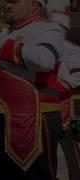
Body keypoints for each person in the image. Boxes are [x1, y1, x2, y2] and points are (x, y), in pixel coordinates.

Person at [0, 0, 64, 179]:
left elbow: (45, 60)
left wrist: (5, 44)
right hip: (2, 113)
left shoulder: (49, 28)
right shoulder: (9, 31)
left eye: (14, 1)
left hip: (34, 115)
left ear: (34, 5)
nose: (8, 6)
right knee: (2, 171)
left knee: (35, 173)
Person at [46, 0, 80, 179]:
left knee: (73, 147)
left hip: (71, 105)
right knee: (48, 149)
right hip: (49, 105)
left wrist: (65, 83)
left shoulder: (72, 50)